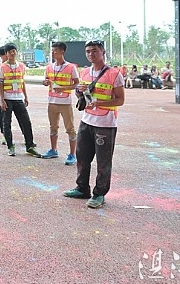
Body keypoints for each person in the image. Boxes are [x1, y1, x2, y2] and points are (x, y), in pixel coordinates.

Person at [63, 40, 125, 209]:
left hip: (105, 123)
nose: (91, 54)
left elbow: (120, 100)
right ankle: (82, 188)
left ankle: (99, 194)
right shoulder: (84, 72)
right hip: (87, 120)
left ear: (103, 52)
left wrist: (100, 103)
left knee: (103, 161)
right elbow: (82, 95)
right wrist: (79, 92)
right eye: (88, 51)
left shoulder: (114, 74)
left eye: (95, 51)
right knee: (82, 157)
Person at [0, 43, 42, 158]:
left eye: (14, 51)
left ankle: (30, 146)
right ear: (6, 54)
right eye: (9, 52)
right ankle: (10, 146)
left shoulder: (21, 66)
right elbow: (0, 85)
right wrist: (2, 100)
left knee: (26, 122)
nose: (12, 53)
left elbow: (22, 82)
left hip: (18, 98)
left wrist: (25, 96)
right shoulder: (2, 67)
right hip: (7, 98)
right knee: (7, 123)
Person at [41, 41, 79, 165]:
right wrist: (45, 82)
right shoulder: (49, 67)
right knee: (53, 127)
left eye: (55, 51)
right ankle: (53, 150)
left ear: (62, 52)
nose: (53, 53)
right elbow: (46, 80)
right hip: (52, 101)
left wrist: (63, 88)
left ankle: (72, 154)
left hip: (65, 102)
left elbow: (77, 84)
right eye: (52, 51)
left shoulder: (71, 67)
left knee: (70, 128)